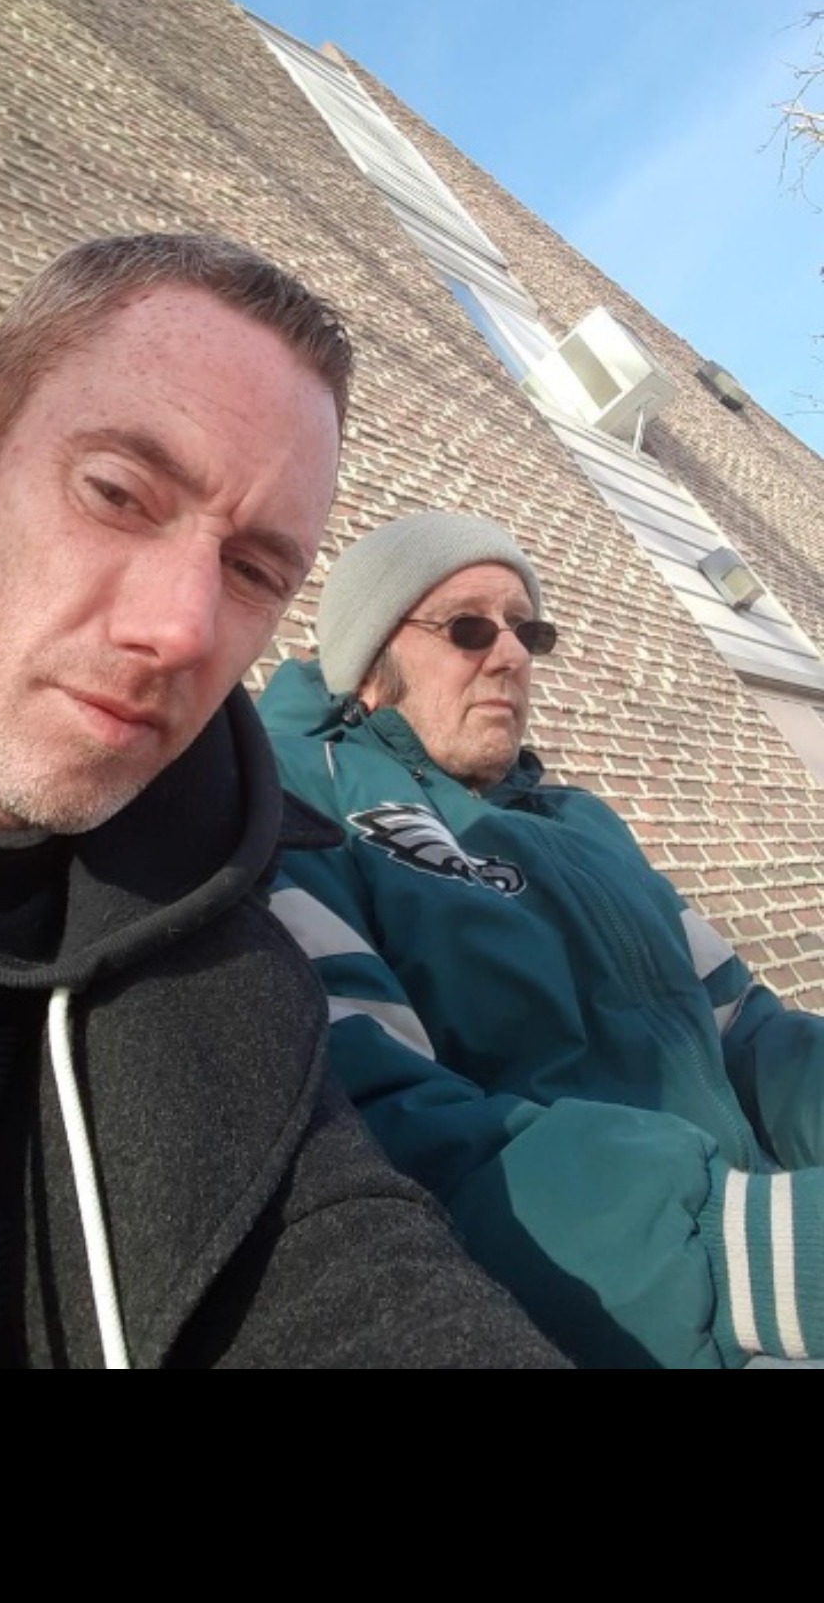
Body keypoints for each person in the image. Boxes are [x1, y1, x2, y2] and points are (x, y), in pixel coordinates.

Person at [0, 234, 568, 1370]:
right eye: (119, 493)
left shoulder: (219, 926)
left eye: (254, 571)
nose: (181, 628)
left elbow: (345, 1264)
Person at [258, 509, 824, 1370]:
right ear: (368, 664)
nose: (512, 655)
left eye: (528, 630)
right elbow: (369, 1118)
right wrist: (749, 1254)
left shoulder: (584, 824)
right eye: (469, 628)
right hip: (619, 1310)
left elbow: (746, 1031)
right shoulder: (299, 800)